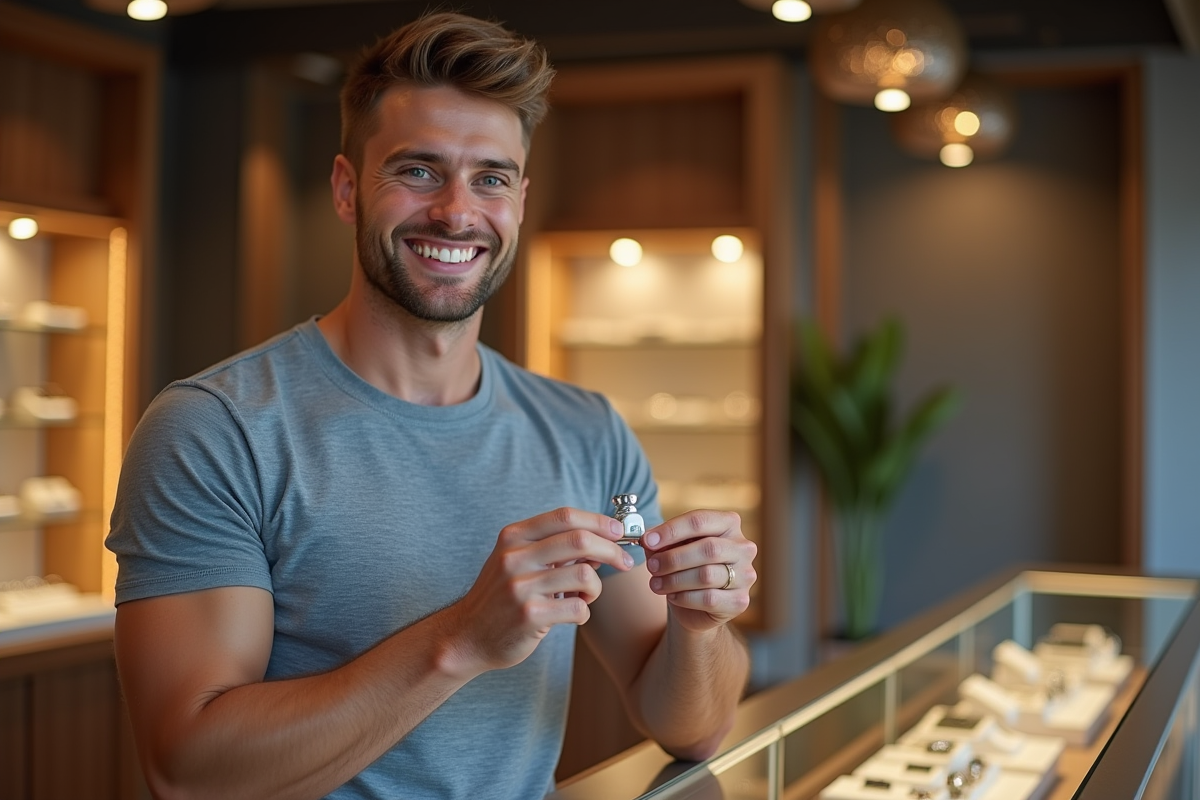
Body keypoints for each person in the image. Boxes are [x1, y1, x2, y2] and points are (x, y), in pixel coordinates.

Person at [106, 11, 758, 800]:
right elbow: (187, 773)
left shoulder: (589, 433)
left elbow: (693, 725)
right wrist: (461, 639)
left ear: (519, 199)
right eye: (418, 170)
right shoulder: (215, 429)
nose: (456, 212)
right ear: (348, 190)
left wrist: (701, 623)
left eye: (489, 177)